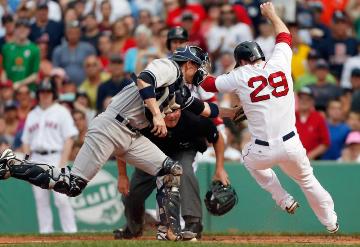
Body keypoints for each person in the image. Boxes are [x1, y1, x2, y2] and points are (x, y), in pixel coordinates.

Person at [0, 45, 227, 241]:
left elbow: (208, 110)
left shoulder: (179, 90)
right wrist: (157, 114)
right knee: (71, 185)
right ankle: (13, 165)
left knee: (171, 170)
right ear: (188, 64)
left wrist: (237, 111)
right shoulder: (169, 67)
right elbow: (144, 79)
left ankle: (168, 230)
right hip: (111, 126)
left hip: (131, 133)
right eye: (199, 67)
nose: (200, 72)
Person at [200, 2, 338, 233]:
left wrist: (199, 70)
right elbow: (284, 34)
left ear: (242, 60)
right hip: (292, 143)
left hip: (262, 150)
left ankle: (283, 199)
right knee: (308, 181)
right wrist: (273, 14)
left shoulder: (240, 73)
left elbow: (209, 84)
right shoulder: (280, 62)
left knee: (247, 158)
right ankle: (331, 223)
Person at [115, 105, 228, 240]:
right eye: (167, 112)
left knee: (184, 171)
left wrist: (220, 168)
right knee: (132, 193)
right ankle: (134, 228)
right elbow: (120, 143)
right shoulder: (142, 119)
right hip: (151, 154)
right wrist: (122, 175)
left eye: (175, 110)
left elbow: (217, 138)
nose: (172, 115)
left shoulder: (193, 118)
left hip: (183, 150)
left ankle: (194, 224)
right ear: (156, 112)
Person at [21, 79, 78, 233]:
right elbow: (26, 141)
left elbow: (69, 138)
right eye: (42, 92)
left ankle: (71, 232)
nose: (44, 95)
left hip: (55, 157)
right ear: (38, 94)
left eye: (47, 92)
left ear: (52, 94)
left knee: (61, 199)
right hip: (36, 158)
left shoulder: (61, 111)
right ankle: (45, 234)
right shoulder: (32, 114)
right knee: (41, 200)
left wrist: (62, 162)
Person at [1, 19, 40, 91]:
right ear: (15, 30)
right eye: (19, 28)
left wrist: (20, 84)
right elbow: (4, 70)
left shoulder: (34, 49)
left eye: (25, 28)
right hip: (10, 89)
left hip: (27, 90)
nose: (22, 30)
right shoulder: (7, 48)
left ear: (29, 30)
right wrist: (5, 83)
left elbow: (35, 75)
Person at [295, 87, 331, 159]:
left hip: (313, 161)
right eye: (301, 98)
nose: (304, 101)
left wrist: (310, 156)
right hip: (293, 160)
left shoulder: (318, 118)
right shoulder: (291, 117)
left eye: (307, 99)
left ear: (312, 102)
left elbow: (325, 143)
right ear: (298, 100)